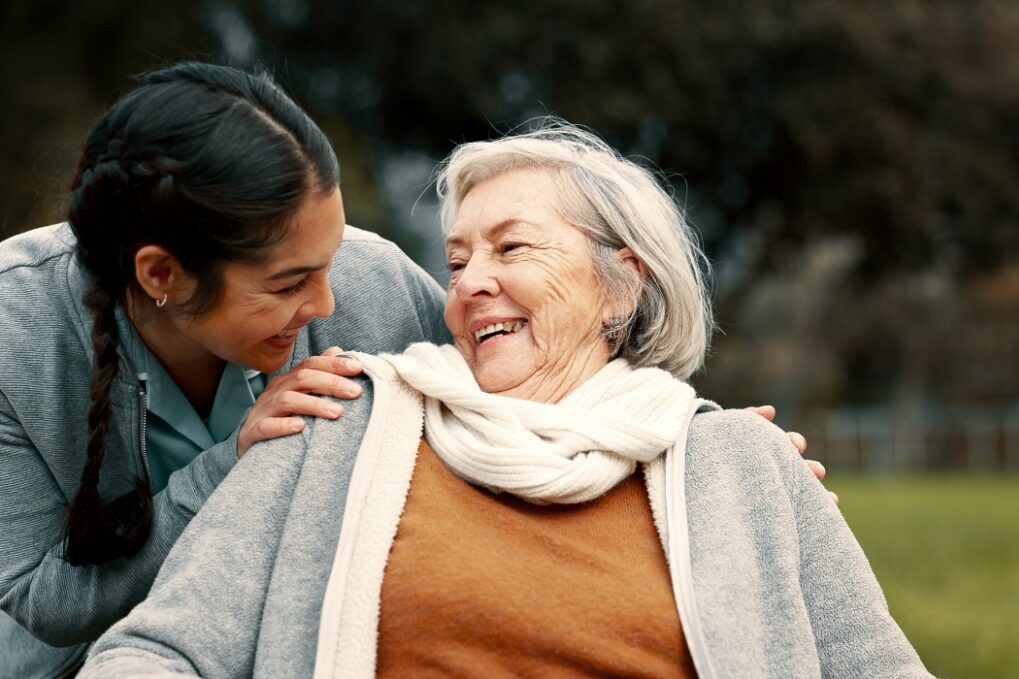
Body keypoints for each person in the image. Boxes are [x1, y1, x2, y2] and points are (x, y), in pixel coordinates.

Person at [80, 122, 931, 678]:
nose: (472, 283)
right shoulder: (343, 424)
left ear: (619, 285)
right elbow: (159, 651)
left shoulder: (739, 463)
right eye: (454, 262)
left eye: (511, 246)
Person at [0, 62, 450, 678]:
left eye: (331, 258)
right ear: (160, 274)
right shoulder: (13, 329)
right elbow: (41, 598)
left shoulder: (381, 286)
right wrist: (234, 461)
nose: (326, 304)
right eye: (290, 283)